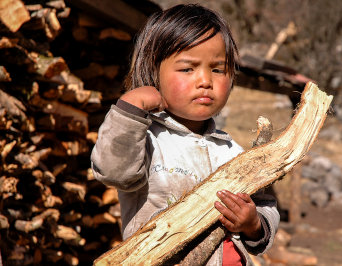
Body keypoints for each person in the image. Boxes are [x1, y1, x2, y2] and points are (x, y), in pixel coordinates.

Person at [91, 4, 279, 265]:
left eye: (217, 69)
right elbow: (113, 171)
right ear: (154, 72)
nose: (205, 80)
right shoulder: (145, 139)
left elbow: (265, 203)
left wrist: (254, 224)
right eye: (188, 69)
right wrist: (129, 110)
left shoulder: (232, 152)